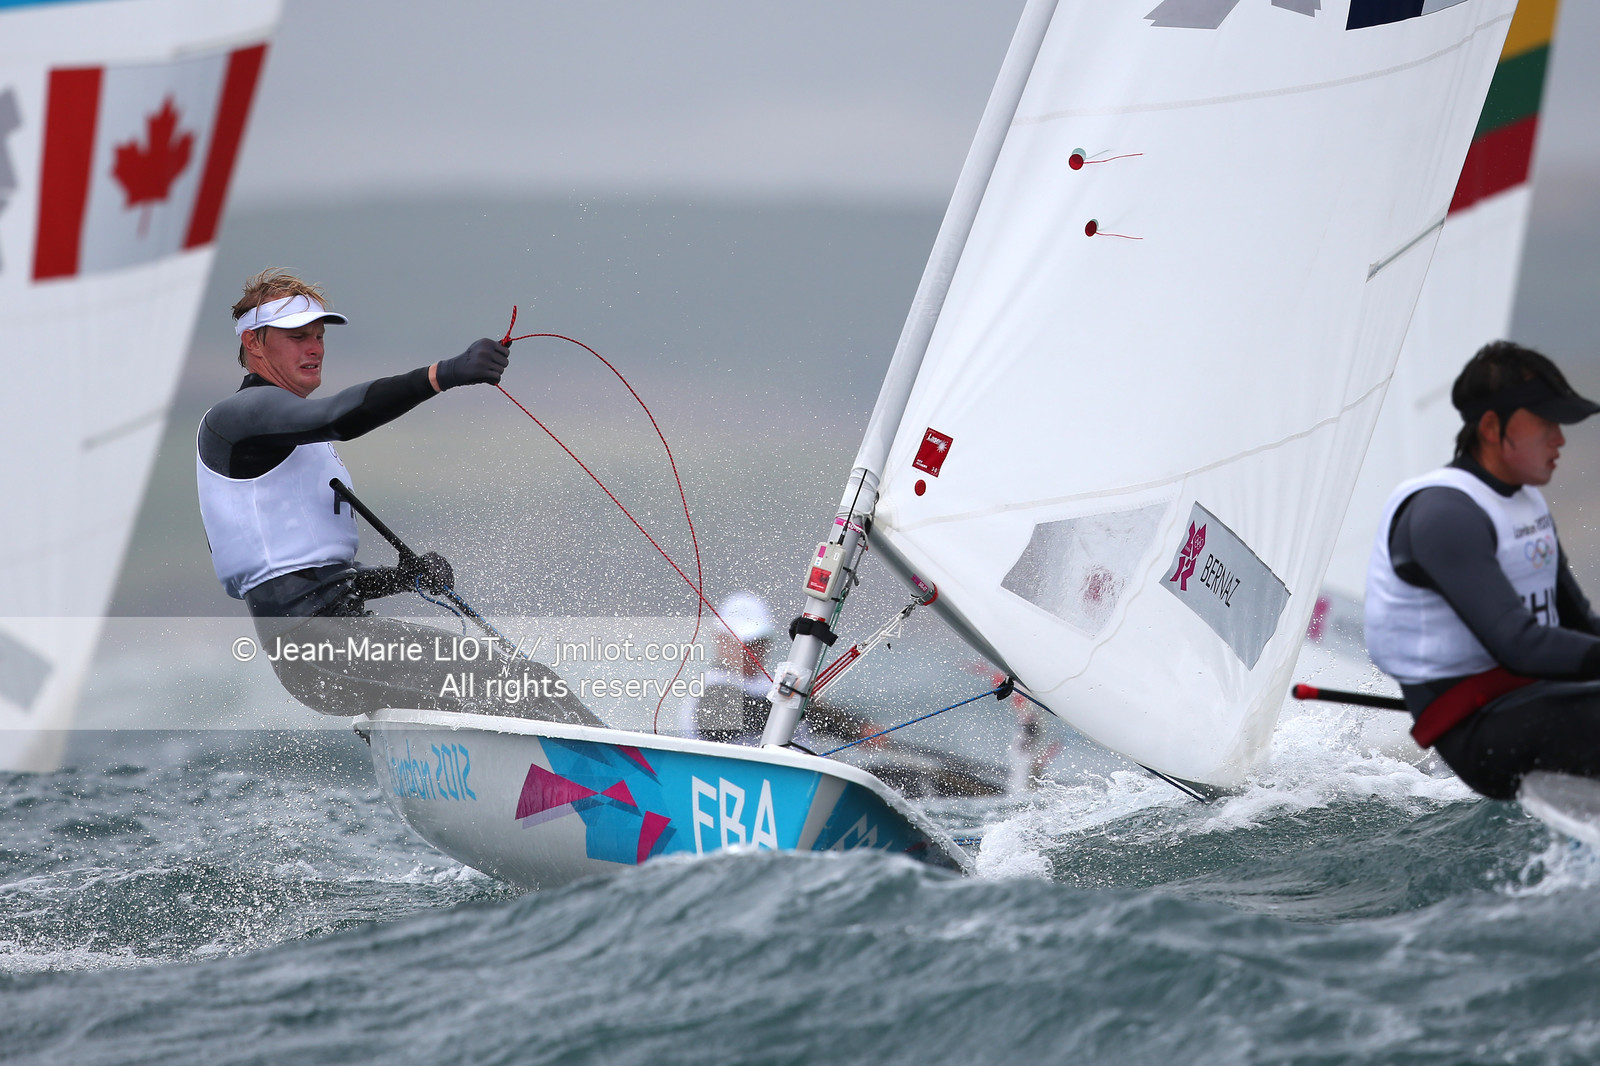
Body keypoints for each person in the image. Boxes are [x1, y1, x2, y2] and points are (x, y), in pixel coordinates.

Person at [198, 269, 596, 725]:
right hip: (319, 648)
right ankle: (643, 785)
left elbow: (313, 579)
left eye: (318, 336)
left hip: (334, 643)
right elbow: (339, 417)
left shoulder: (287, 436)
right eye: (296, 337)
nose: (314, 348)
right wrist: (443, 374)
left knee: (522, 681)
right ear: (253, 343)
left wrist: (402, 578)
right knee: (525, 686)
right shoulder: (237, 417)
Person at [1365, 340, 1600, 799]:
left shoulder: (1523, 501)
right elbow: (1520, 646)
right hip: (1478, 730)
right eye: (1546, 422)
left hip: (1533, 700)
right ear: (1492, 427)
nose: (1560, 438)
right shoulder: (1444, 514)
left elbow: (1579, 624)